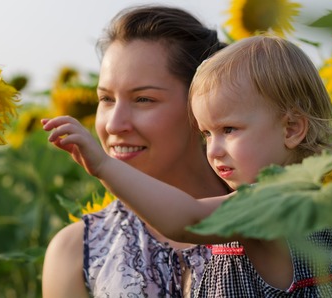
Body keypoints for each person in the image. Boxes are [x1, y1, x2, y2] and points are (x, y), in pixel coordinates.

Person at [43, 35, 332, 296]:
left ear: (291, 129)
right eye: (206, 133)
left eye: (229, 130)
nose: (213, 150)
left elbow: (187, 219)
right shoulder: (311, 197)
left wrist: (104, 166)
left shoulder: (275, 203)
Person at [41, 4, 229, 298]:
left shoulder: (270, 211)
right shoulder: (75, 253)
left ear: (203, 105)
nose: (115, 124)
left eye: (143, 99)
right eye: (106, 99)